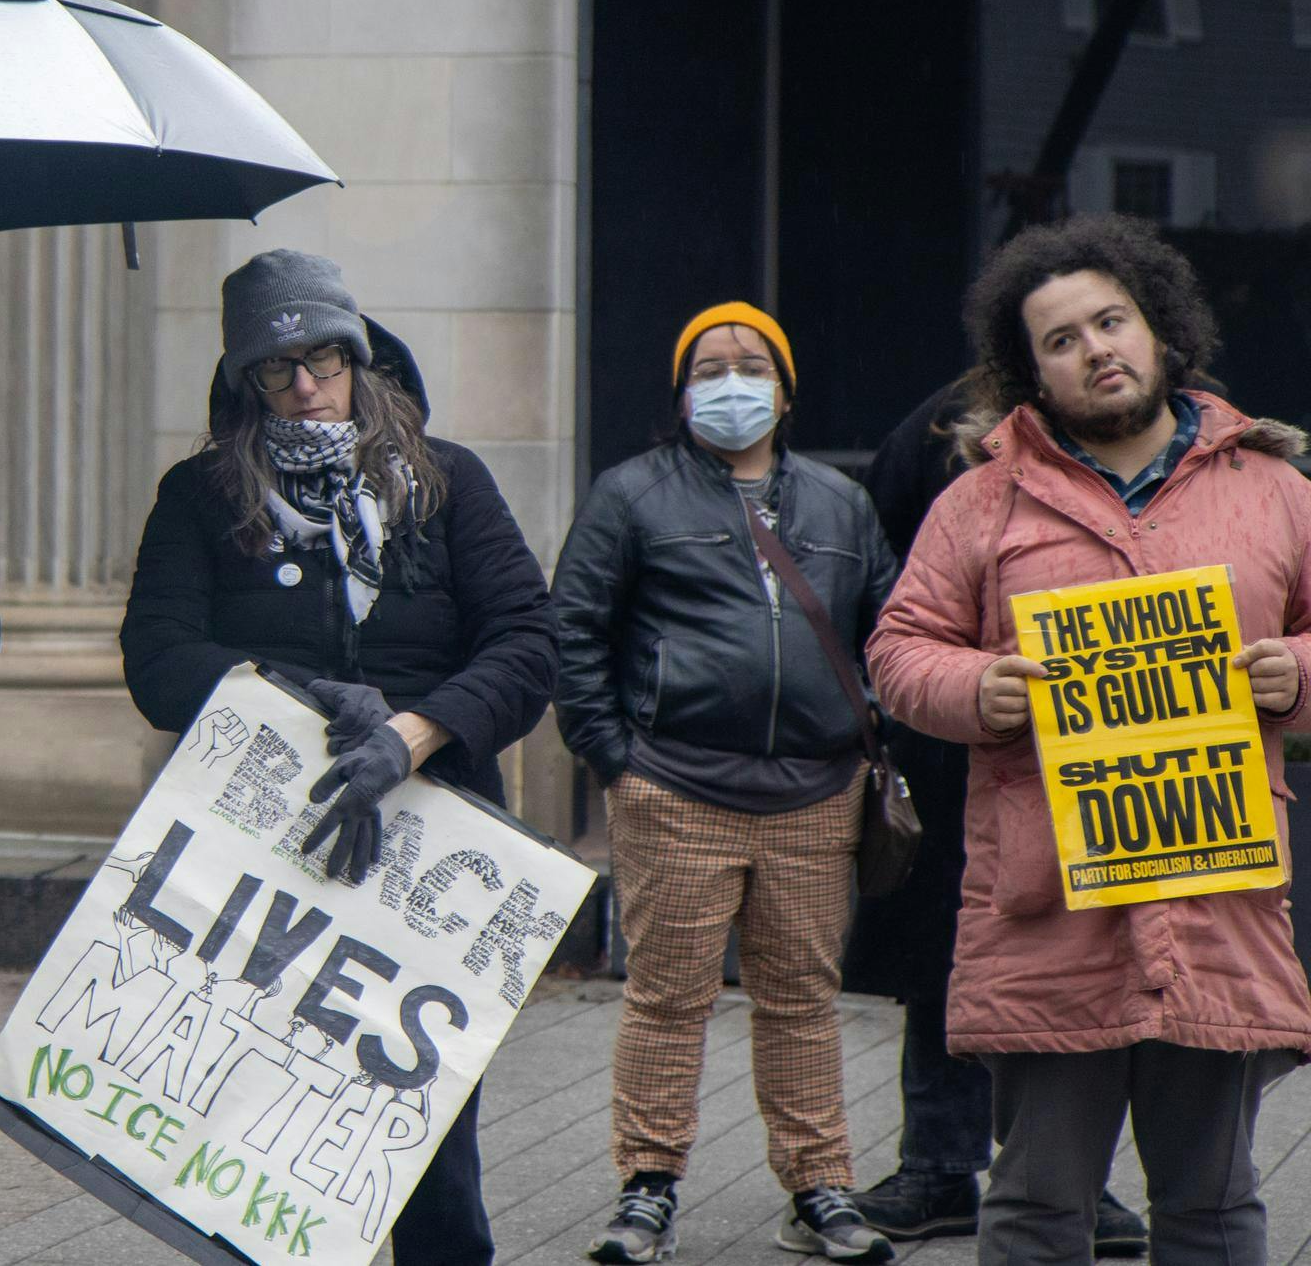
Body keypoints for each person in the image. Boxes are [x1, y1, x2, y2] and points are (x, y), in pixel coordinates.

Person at [867, 213, 1311, 1264]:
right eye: (1059, 339)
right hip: (1043, 908)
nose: (1093, 349)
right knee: (1031, 1209)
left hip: (1216, 902)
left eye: (1108, 321)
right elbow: (896, 648)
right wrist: (977, 687)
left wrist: (1297, 675)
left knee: (1209, 1209)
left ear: (1159, 329)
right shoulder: (978, 502)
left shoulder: (1276, 489)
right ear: (1027, 371)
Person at [120, 248, 557, 1265]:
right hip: (263, 854)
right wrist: (303, 697)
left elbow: (527, 646)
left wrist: (411, 734)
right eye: (277, 370)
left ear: (359, 358)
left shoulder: (447, 484)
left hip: (430, 855)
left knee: (428, 1143)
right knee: (269, 1138)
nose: (305, 386)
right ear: (243, 385)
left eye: (322, 358)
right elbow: (158, 656)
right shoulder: (198, 496)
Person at [552, 301, 898, 1263]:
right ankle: (647, 1187)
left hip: (814, 797)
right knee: (667, 1000)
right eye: (709, 368)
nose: (731, 382)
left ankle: (820, 1186)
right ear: (681, 391)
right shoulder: (630, 494)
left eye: (752, 365)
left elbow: (892, 630)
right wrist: (614, 759)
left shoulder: (842, 504)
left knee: (802, 1001)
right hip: (675, 791)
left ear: (785, 391)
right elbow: (572, 631)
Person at [844, 374, 1145, 1255]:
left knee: (1094, 958)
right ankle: (940, 1164)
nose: (1086, 352)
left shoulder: (1159, 433)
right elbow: (885, 569)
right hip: (961, 745)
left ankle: (1078, 1176)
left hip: (1109, 751)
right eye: (1054, 335)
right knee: (950, 958)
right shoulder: (944, 422)